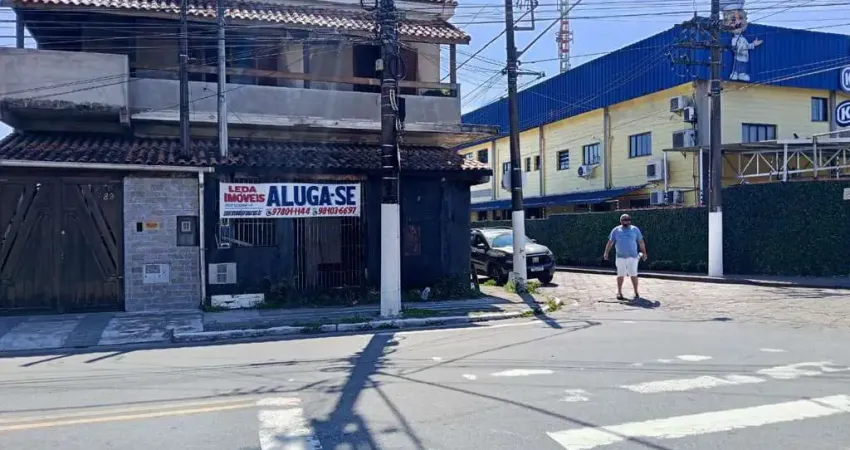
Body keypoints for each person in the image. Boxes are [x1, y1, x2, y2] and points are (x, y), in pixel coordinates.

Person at [603, 214, 648, 300]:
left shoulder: (635, 229)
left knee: (634, 274)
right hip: (620, 257)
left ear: (630, 220)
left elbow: (641, 242)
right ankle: (619, 292)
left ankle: (636, 292)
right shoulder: (616, 230)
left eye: (627, 219)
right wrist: (606, 252)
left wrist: (644, 253)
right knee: (620, 275)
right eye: (624, 219)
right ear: (621, 221)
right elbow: (610, 242)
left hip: (633, 257)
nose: (626, 221)